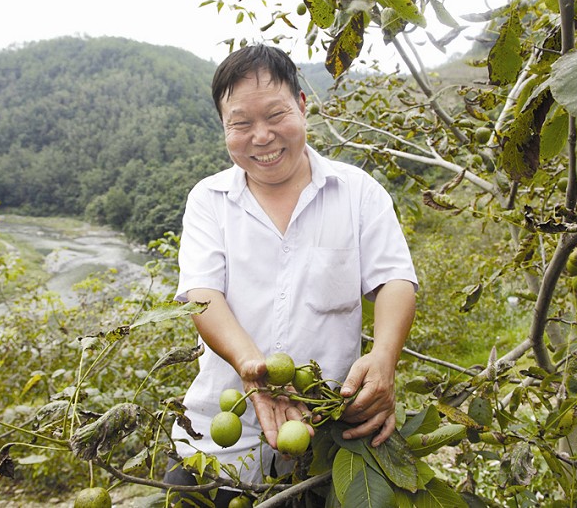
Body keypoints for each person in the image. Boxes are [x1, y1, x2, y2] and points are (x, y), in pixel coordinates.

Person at [165, 44, 417, 506]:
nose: (261, 137)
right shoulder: (209, 200)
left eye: (276, 115)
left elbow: (395, 280)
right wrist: (249, 366)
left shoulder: (357, 192)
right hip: (215, 450)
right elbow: (203, 294)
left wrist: (384, 359)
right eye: (241, 123)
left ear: (302, 106)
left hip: (326, 447)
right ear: (224, 128)